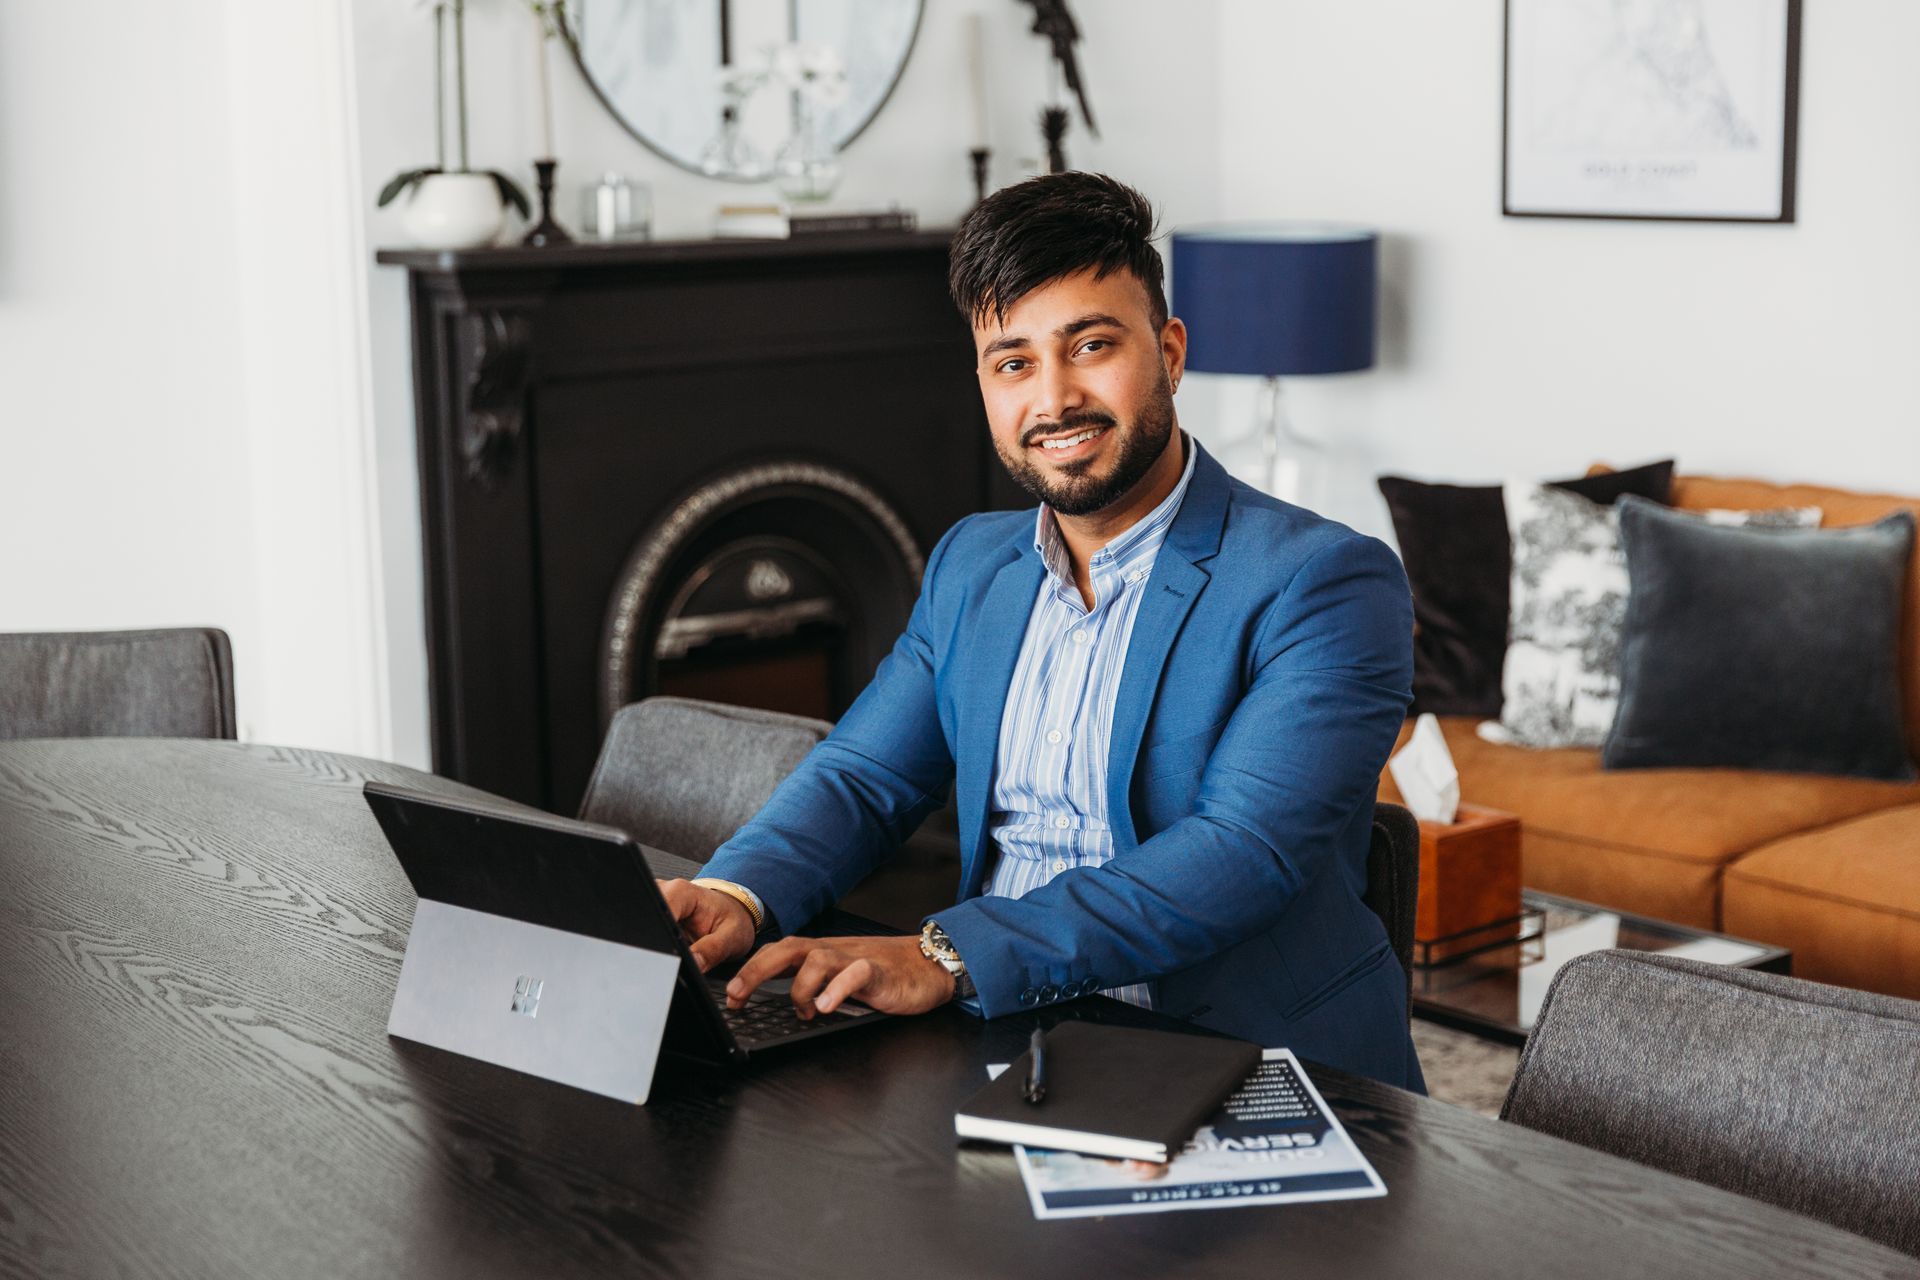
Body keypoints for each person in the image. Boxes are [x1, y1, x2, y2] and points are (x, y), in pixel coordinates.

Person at [658, 172, 1422, 1090]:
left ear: (1171, 355)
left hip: (1239, 1060)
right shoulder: (972, 566)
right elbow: (865, 776)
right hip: (1002, 1037)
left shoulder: (1325, 581)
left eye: (1091, 345)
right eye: (1013, 362)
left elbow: (1243, 852)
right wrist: (734, 894)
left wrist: (947, 954)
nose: (1054, 400)